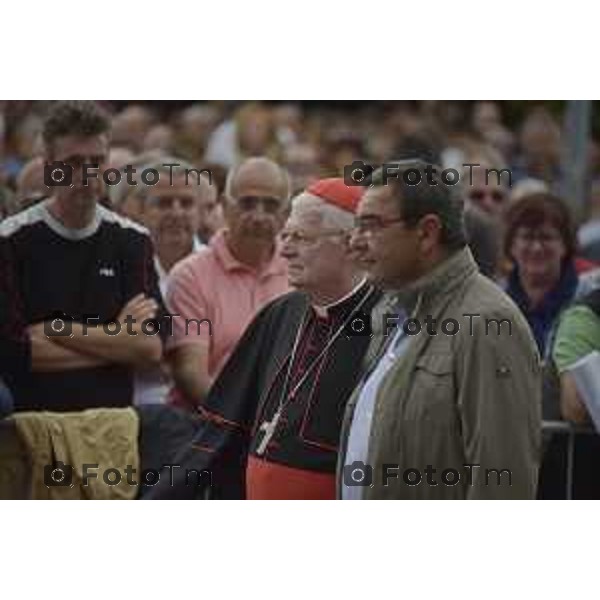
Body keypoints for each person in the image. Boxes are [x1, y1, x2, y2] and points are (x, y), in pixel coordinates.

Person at [146, 178, 381, 500]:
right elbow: (222, 430)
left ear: (351, 243)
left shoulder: (388, 327)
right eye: (286, 236)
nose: (284, 250)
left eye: (301, 237)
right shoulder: (279, 315)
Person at [339, 159, 541, 499]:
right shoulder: (392, 310)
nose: (356, 242)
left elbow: (503, 484)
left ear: (427, 232)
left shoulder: (489, 323)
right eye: (357, 226)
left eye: (372, 226)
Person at [0, 100, 165, 411]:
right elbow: (15, 353)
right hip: (34, 422)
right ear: (50, 169)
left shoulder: (133, 241)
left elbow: (149, 348)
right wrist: (116, 341)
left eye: (97, 161)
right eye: (73, 163)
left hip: (111, 425)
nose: (87, 173)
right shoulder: (11, 240)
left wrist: (55, 329)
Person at [165, 157, 291, 410]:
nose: (258, 216)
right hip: (209, 425)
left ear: (286, 213)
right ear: (224, 206)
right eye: (247, 203)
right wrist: (242, 424)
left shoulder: (300, 270)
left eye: (270, 205)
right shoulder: (190, 276)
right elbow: (191, 373)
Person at [503, 193, 581, 358]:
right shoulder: (493, 302)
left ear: (565, 244)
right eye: (527, 237)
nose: (537, 247)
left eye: (546, 237)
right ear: (511, 245)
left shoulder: (587, 300)